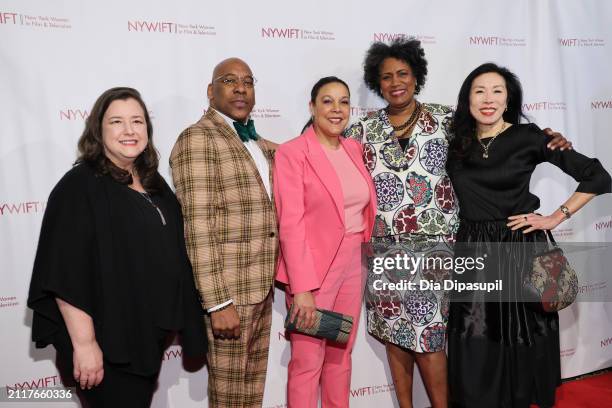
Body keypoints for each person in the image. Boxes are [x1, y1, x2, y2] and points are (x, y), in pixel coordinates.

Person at [344, 38, 572, 408]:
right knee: (394, 335)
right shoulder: (362, 130)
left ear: (417, 77)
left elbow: (498, 134)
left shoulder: (448, 120)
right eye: (386, 77)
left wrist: (549, 139)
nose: (395, 82)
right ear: (377, 83)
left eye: (403, 73)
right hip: (386, 250)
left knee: (429, 338)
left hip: (440, 251)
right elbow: (321, 147)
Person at [27, 87, 207, 408]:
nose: (129, 131)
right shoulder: (79, 187)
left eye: (137, 121)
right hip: (106, 345)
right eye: (117, 122)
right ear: (99, 130)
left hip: (143, 337)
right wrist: (85, 345)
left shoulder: (153, 182)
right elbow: (65, 273)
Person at [446, 62, 611, 408]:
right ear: (467, 99)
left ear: (509, 100)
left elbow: (596, 175)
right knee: (473, 339)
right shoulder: (454, 141)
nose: (488, 99)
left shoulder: (530, 137)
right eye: (479, 91)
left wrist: (554, 217)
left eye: (497, 91)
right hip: (474, 253)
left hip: (520, 248)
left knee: (523, 339)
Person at [170, 58, 278, 408]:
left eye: (248, 81)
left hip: (261, 289)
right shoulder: (197, 138)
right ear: (210, 91)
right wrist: (218, 303)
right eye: (230, 80)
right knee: (230, 399)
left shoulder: (255, 142)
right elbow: (197, 226)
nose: (241, 88)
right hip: (230, 294)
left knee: (250, 396)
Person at [274, 76, 377, 408]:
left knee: (340, 357)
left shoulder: (354, 149)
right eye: (328, 101)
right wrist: (301, 287)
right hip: (314, 271)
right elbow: (290, 224)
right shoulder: (293, 153)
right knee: (307, 362)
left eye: (344, 101)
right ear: (312, 107)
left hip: (354, 263)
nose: (337, 109)